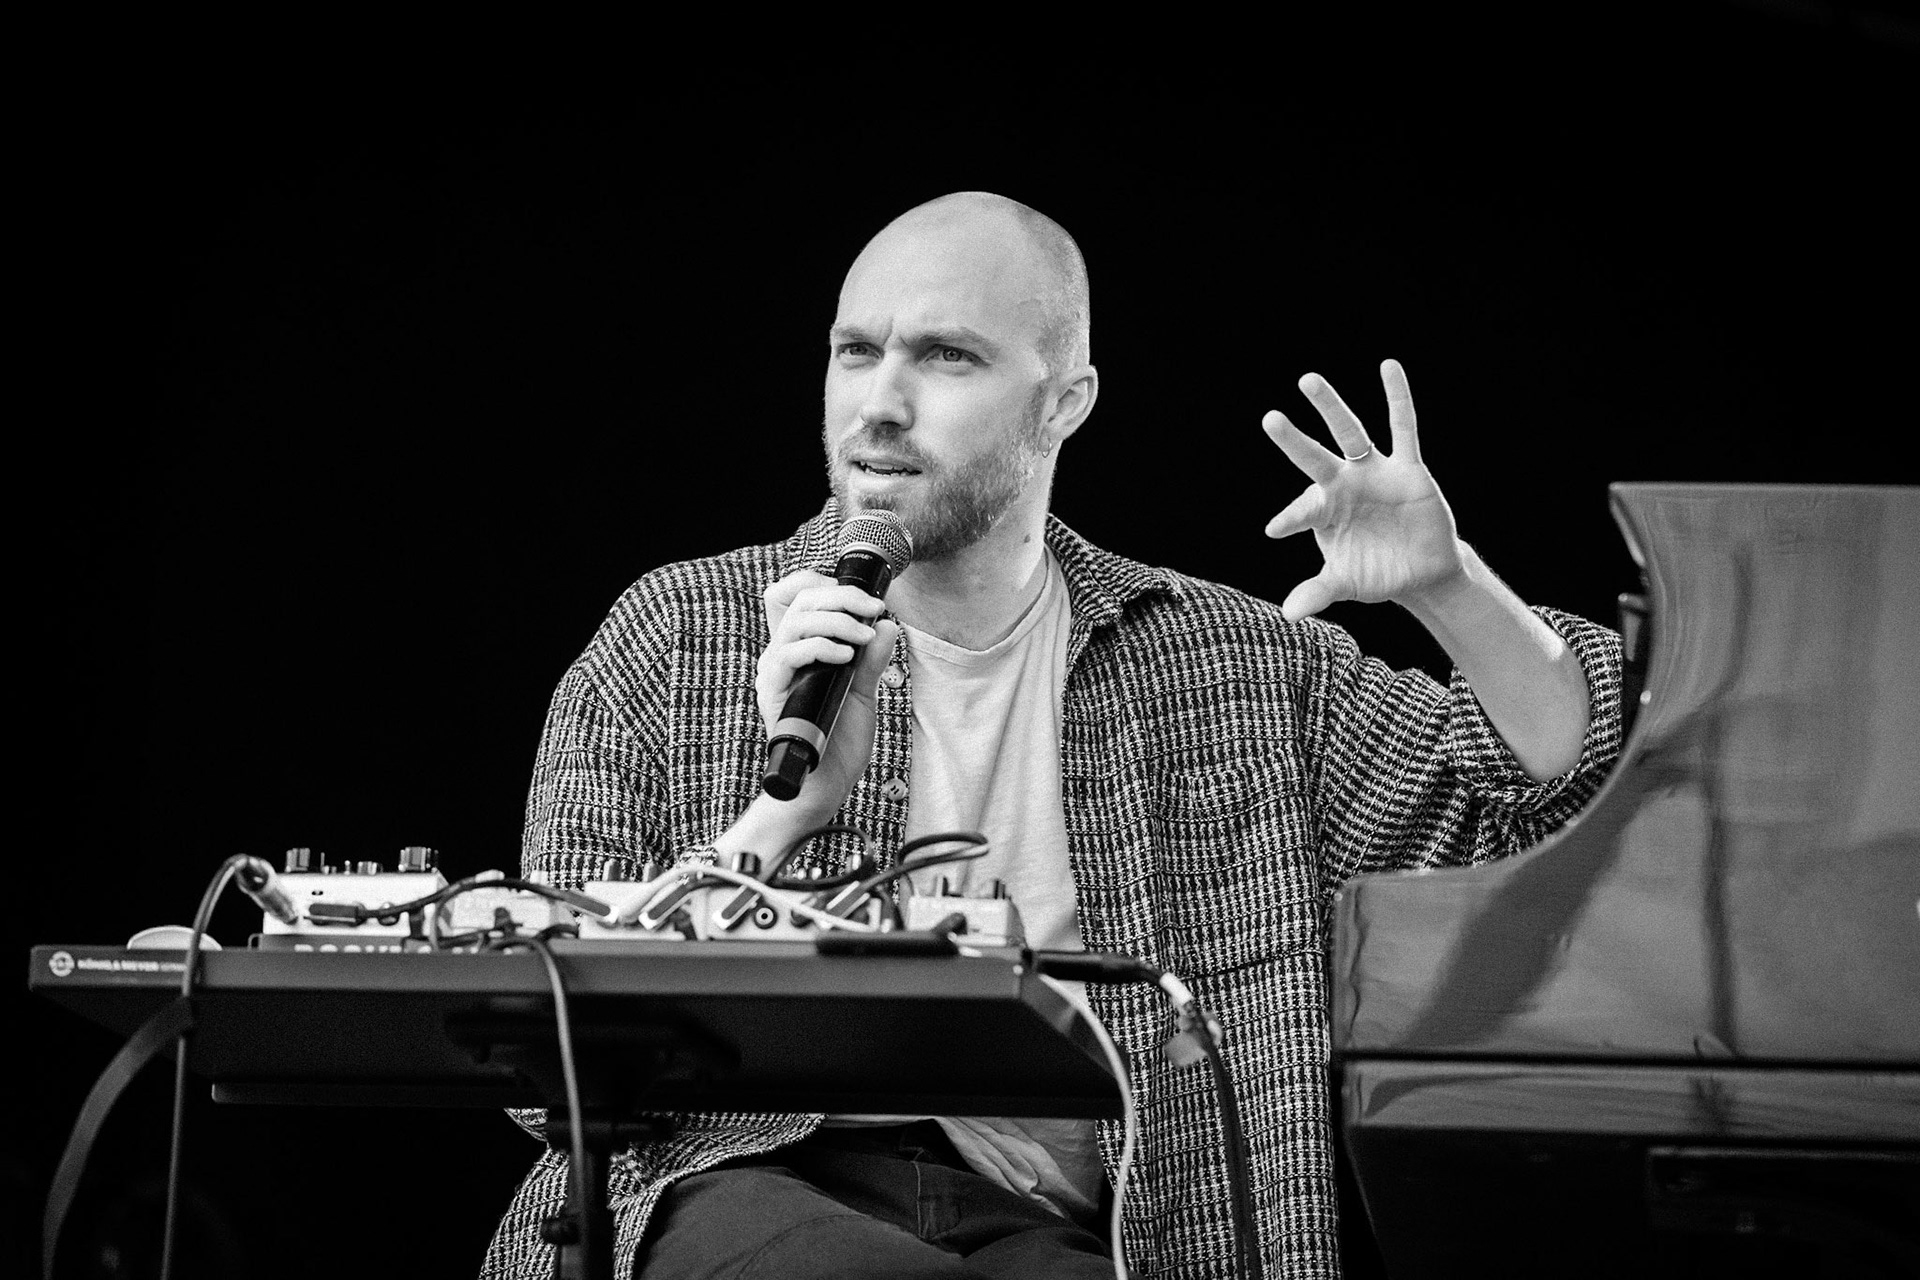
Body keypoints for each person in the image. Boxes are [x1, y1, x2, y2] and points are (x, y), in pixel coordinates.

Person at [481, 192, 1622, 1279]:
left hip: (1069, 1228)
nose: (880, 400)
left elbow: (1560, 790)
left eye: (945, 355)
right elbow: (552, 1059)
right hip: (737, 1182)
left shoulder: (1234, 667)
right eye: (853, 350)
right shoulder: (676, 633)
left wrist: (1450, 586)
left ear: (1064, 400)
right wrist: (782, 816)